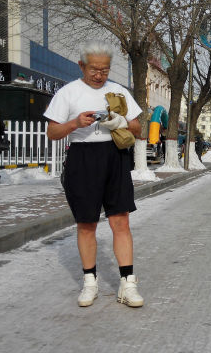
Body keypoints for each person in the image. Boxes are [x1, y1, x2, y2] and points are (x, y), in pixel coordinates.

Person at [44, 40, 144, 308]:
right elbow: (52, 133)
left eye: (105, 70)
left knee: (120, 221)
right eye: (94, 70)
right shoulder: (68, 93)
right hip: (82, 158)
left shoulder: (118, 91)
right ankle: (90, 282)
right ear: (81, 66)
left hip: (115, 157)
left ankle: (128, 284)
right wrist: (75, 123)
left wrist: (120, 121)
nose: (99, 75)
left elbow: (138, 128)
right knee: (86, 223)